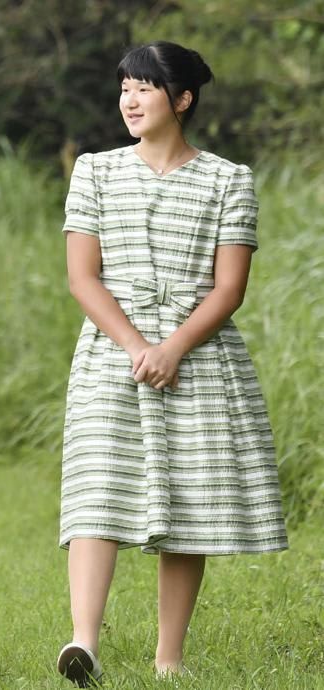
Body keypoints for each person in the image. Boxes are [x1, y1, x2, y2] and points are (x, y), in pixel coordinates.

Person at [57, 42, 288, 687]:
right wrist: (137, 346)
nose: (129, 100)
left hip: (201, 357)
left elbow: (229, 288)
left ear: (181, 99)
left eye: (145, 88)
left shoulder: (227, 179)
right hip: (110, 354)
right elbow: (83, 276)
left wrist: (173, 347)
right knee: (96, 489)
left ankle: (169, 659)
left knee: (190, 500)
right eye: (125, 87)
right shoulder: (95, 172)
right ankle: (83, 643)